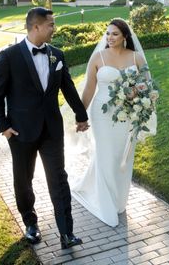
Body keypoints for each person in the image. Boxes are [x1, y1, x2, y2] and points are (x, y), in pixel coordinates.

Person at [0, 7, 89, 249]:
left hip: (52, 130)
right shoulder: (9, 56)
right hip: (20, 132)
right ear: (36, 27)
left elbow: (68, 87)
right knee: (23, 180)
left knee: (59, 179)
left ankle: (67, 232)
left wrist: (81, 115)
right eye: (51, 25)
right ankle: (31, 223)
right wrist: (3, 126)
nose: (54, 28)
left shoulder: (57, 55)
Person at [67, 18, 156, 227]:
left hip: (129, 114)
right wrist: (81, 116)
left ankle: (119, 201)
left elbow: (147, 86)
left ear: (125, 36)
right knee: (106, 156)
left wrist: (137, 97)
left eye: (115, 34)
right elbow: (89, 88)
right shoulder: (98, 57)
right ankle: (106, 204)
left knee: (123, 157)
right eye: (107, 33)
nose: (110, 37)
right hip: (103, 114)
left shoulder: (137, 57)